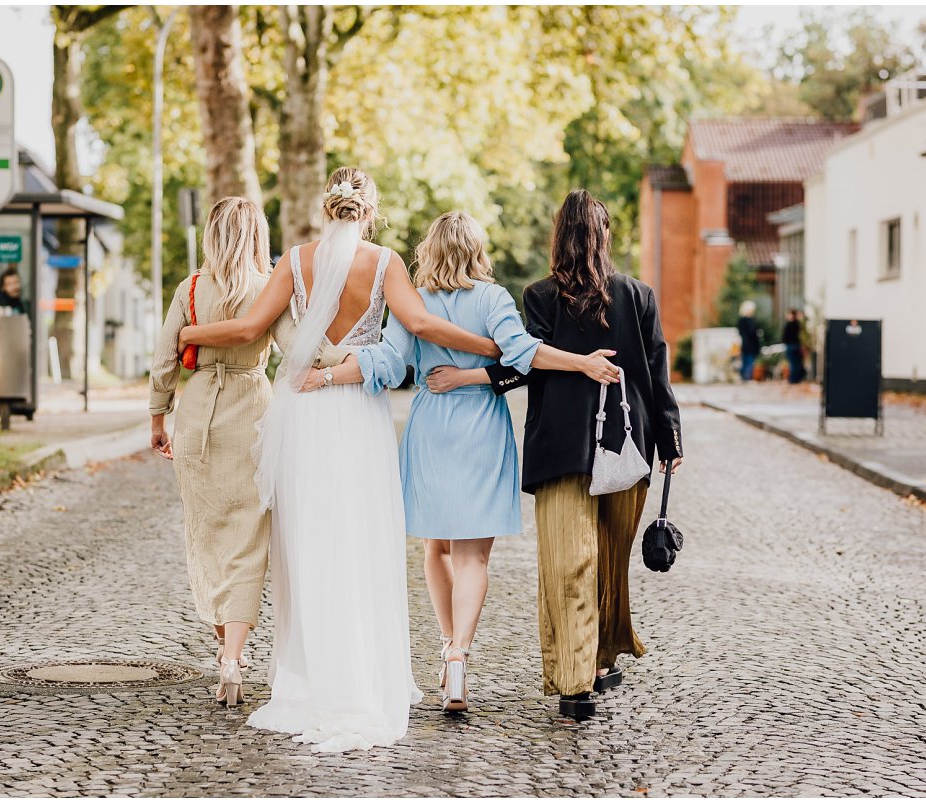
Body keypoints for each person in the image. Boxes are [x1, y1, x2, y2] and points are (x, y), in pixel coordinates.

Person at [175, 167, 501, 751]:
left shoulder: (296, 261)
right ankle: (363, 676)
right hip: (358, 409)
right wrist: (491, 347)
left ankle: (310, 678)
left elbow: (250, 326)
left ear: (327, 209)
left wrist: (190, 331)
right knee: (362, 539)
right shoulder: (384, 263)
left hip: (305, 412)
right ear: (370, 211)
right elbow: (422, 323)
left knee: (309, 542)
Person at [306, 211, 621, 713]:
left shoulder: (414, 300)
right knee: (473, 556)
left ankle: (449, 650)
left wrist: (325, 376)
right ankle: (459, 656)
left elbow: (387, 364)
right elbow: (522, 355)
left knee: (437, 549)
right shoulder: (494, 299)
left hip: (431, 427)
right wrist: (581, 362)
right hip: (482, 428)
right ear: (477, 250)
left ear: (429, 250)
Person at [423, 191, 683, 718]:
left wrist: (468, 379)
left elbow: (522, 365)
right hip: (627, 449)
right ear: (605, 234)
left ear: (558, 236)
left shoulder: (540, 296)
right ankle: (591, 665)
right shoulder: (639, 295)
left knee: (570, 563)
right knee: (606, 561)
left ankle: (578, 678)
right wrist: (670, 441)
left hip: (561, 448)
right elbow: (657, 376)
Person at [149, 197, 352, 708]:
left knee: (209, 535)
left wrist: (158, 417)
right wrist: (347, 358)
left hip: (196, 417)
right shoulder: (268, 288)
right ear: (258, 236)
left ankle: (224, 644)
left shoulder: (190, 289)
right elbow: (297, 344)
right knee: (247, 538)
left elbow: (164, 358)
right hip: (254, 417)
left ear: (212, 235)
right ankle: (234, 659)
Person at [737, 300, 760, 381]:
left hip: (748, 344)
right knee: (748, 361)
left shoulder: (749, 320)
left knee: (747, 361)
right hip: (748, 344)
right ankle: (746, 377)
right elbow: (751, 332)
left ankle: (745, 377)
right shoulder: (747, 321)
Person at [782, 308, 804, 384]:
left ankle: (793, 379)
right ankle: (796, 379)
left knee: (793, 363)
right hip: (795, 345)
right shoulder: (797, 324)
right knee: (796, 363)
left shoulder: (790, 324)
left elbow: (785, 336)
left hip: (792, 345)